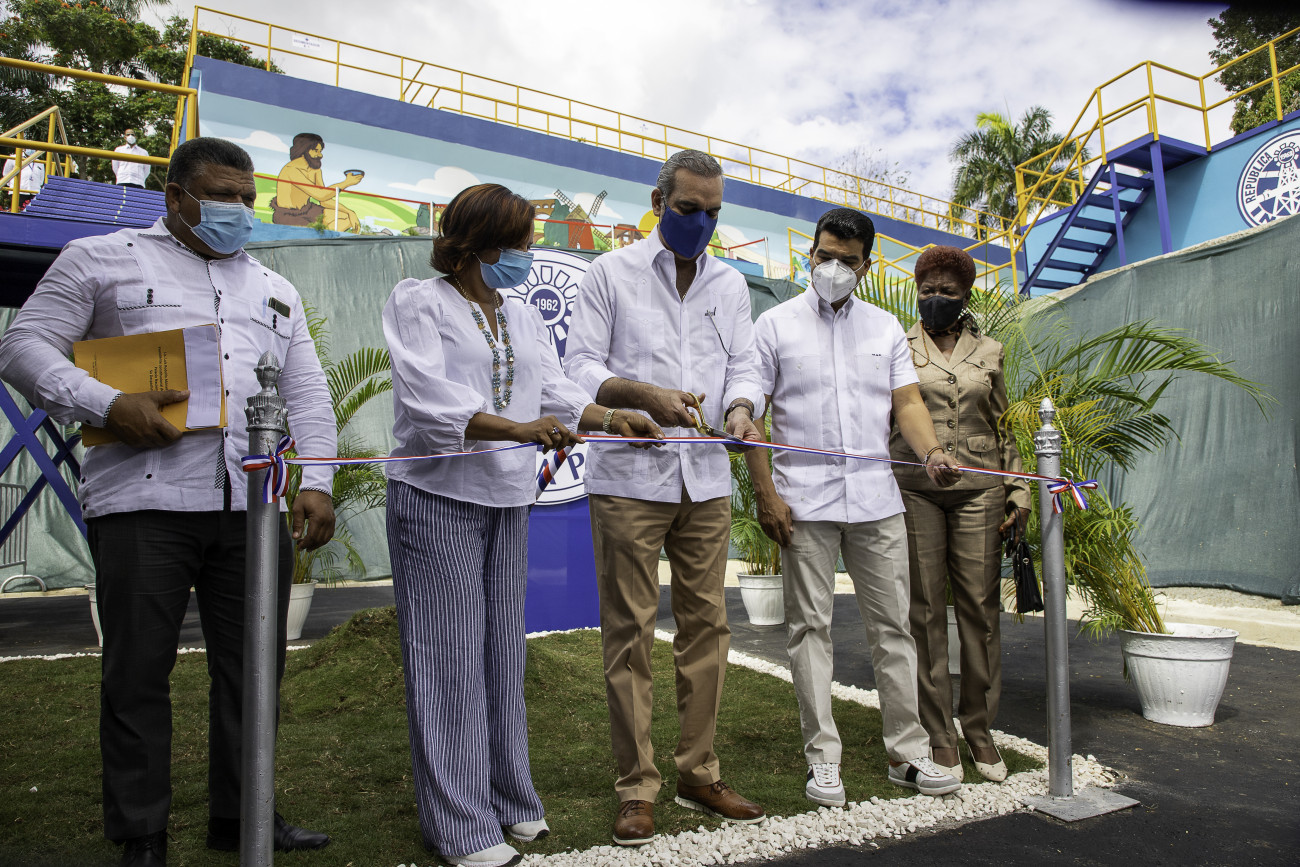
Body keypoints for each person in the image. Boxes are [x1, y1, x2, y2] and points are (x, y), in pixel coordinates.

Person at [0, 137, 337, 867]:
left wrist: (316, 480)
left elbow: (307, 390)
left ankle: (243, 816)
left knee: (254, 671)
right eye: (222, 196)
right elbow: (23, 346)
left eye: (247, 198)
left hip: (251, 507)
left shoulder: (274, 288)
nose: (238, 209)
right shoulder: (100, 258)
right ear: (176, 196)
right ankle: (141, 834)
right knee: (137, 674)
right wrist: (106, 402)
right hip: (142, 502)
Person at [382, 183, 662, 867]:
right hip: (437, 495)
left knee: (503, 651)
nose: (528, 254)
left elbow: (556, 390)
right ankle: (460, 825)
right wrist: (517, 429)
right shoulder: (418, 303)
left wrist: (610, 418)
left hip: (507, 498)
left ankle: (509, 795)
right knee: (447, 656)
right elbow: (426, 399)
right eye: (518, 243)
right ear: (475, 245)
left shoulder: (521, 314)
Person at [564, 149, 767, 847]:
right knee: (630, 632)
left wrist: (740, 409)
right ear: (658, 203)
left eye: (713, 212)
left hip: (705, 476)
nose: (701, 223)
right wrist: (639, 393)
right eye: (688, 209)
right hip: (629, 478)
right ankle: (636, 787)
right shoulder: (609, 273)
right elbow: (579, 366)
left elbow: (744, 366)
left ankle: (699, 771)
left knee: (707, 627)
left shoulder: (730, 284)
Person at [744, 207, 964, 808]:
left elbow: (908, 403)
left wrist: (932, 452)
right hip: (803, 502)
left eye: (847, 261)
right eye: (824, 256)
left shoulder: (885, 329)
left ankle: (907, 754)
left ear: (865, 266)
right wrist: (766, 493)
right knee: (809, 629)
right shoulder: (775, 325)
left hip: (875, 500)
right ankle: (823, 759)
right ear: (810, 254)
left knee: (894, 628)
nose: (832, 268)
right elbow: (752, 409)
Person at [888, 245, 1031, 784]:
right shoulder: (898, 345)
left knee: (979, 608)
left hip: (979, 488)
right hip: (915, 487)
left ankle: (979, 728)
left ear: (965, 295)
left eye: (947, 291)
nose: (936, 298)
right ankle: (938, 733)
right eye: (927, 289)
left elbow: (1004, 424)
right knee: (924, 609)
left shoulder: (990, 350)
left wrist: (1018, 489)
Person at [269, 133, 363, 232]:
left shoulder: (315, 170)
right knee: (313, 231)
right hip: (288, 215)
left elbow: (324, 200)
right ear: (303, 150)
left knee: (346, 217)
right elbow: (320, 195)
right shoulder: (291, 170)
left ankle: (325, 236)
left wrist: (349, 212)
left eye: (320, 151)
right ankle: (322, 237)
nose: (320, 155)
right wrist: (346, 183)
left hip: (308, 210)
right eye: (316, 151)